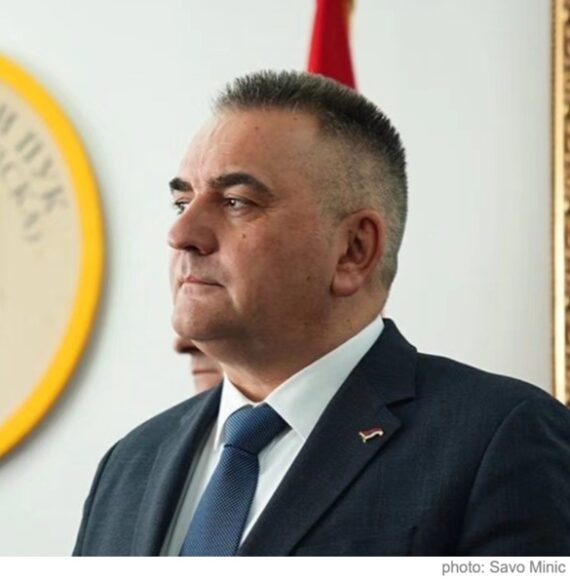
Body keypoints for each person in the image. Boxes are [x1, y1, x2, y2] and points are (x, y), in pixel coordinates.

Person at [73, 70, 570, 556]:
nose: (181, 234)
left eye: (236, 201)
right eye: (182, 202)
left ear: (354, 250)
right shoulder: (130, 463)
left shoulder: (499, 438)